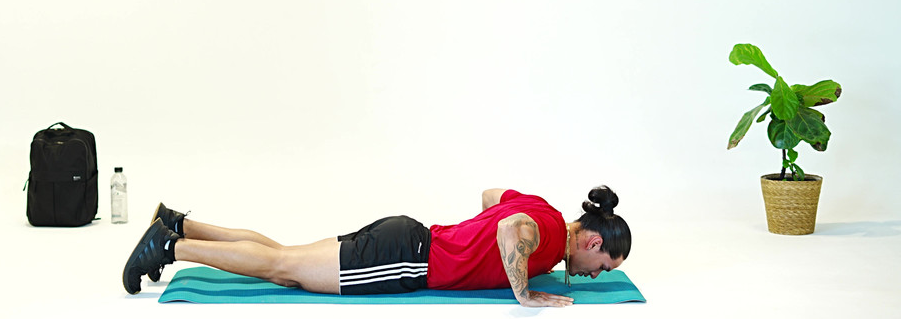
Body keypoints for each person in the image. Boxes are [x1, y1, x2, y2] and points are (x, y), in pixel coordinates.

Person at [122, 186, 631, 307]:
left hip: (407, 236)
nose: (595, 275)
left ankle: (180, 225)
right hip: (407, 258)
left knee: (284, 256)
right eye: (602, 265)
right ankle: (171, 247)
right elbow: (509, 229)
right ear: (591, 241)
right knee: (282, 268)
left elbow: (492, 198)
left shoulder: (544, 208)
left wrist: (471, 242)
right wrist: (523, 292)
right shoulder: (546, 236)